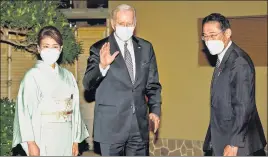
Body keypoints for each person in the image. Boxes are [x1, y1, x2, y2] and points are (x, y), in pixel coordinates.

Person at [83, 4, 162, 156]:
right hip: (110, 126)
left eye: (129, 24)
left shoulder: (146, 48)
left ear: (135, 23)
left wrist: (155, 110)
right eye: (121, 23)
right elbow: (87, 84)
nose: (126, 27)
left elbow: (153, 84)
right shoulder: (99, 48)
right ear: (113, 24)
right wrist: (102, 66)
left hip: (138, 124)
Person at [12, 26, 89, 156]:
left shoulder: (68, 76)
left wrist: (75, 140)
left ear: (61, 49)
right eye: (46, 46)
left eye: (55, 46)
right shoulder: (32, 76)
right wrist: (30, 143)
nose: (50, 50)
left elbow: (75, 110)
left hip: (66, 133)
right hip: (42, 133)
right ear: (38, 48)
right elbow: (24, 112)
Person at [201, 13, 267, 156]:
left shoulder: (239, 61)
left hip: (239, 142)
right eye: (205, 36)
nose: (208, 40)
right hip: (222, 136)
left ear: (227, 33)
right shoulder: (222, 58)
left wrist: (234, 143)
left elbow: (243, 105)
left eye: (212, 35)